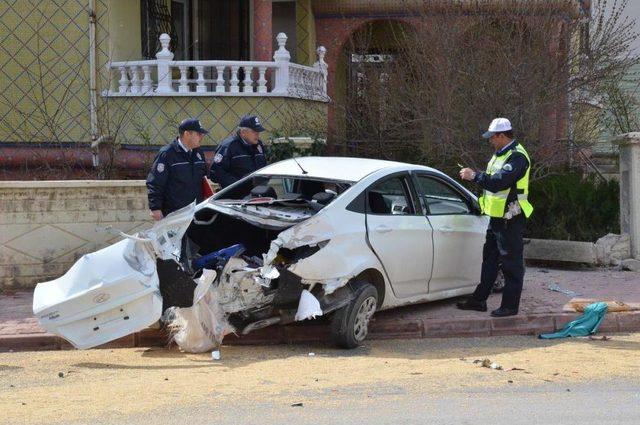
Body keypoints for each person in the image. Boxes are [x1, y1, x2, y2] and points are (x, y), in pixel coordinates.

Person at [456, 118, 533, 317]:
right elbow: (493, 181)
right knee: (489, 259)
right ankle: (479, 300)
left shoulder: (517, 157)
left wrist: (474, 176)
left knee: (511, 264)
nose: (490, 140)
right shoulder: (501, 154)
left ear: (501, 135)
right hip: (497, 217)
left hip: (511, 216)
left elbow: (500, 182)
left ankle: (509, 306)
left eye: (492, 137)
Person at [146, 118, 209, 221]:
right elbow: (155, 182)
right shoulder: (167, 154)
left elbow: (203, 179)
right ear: (187, 134)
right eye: (198, 134)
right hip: (174, 214)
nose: (201, 137)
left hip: (196, 212)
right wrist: (155, 208)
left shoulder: (198, 154)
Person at [209, 115, 267, 188]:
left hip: (258, 192)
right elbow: (216, 173)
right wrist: (238, 185)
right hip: (235, 196)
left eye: (258, 131)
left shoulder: (259, 145)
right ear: (243, 132)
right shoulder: (229, 146)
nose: (257, 134)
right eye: (254, 132)